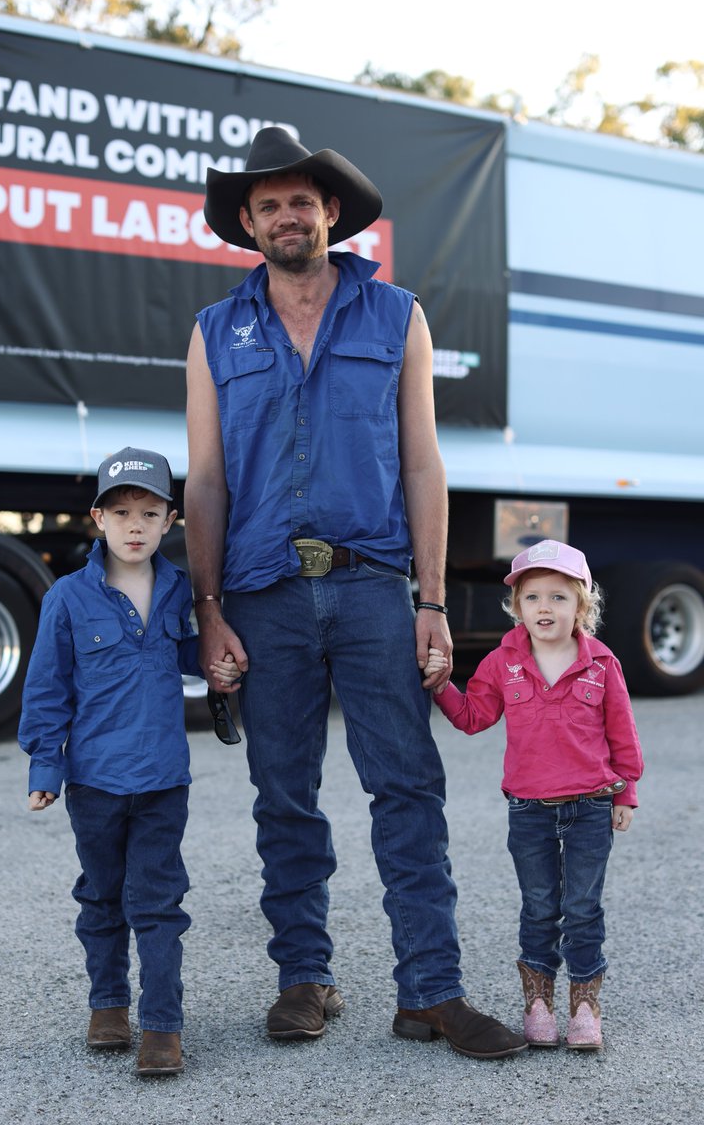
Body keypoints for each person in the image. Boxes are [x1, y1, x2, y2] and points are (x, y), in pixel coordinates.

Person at [183, 126, 527, 1059]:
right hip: (261, 592)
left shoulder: (396, 315)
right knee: (283, 795)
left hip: (374, 586)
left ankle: (432, 994)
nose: (286, 216)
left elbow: (422, 463)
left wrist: (432, 603)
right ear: (249, 225)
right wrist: (208, 610)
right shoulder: (215, 332)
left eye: (301, 200)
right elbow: (205, 480)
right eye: (267, 206)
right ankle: (305, 978)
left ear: (331, 212)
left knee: (407, 787)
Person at [18, 445, 239, 1077]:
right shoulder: (67, 598)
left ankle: (163, 1026)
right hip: (95, 781)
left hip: (164, 779)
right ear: (98, 518)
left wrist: (216, 666)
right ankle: (108, 1006)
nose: (135, 526)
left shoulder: (178, 590)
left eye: (148, 513)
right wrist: (45, 768)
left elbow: (186, 656)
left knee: (159, 901)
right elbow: (47, 689)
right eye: (121, 513)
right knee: (102, 896)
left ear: (170, 520)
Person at [425, 539, 644, 1051]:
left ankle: (585, 1006)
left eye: (558, 597)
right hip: (529, 810)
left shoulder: (602, 663)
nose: (545, 607)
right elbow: (474, 717)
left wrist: (625, 792)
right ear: (517, 607)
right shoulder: (502, 662)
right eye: (532, 597)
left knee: (583, 907)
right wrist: (440, 686)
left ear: (581, 606)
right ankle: (538, 1003)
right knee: (540, 906)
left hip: (592, 804)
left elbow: (623, 733)